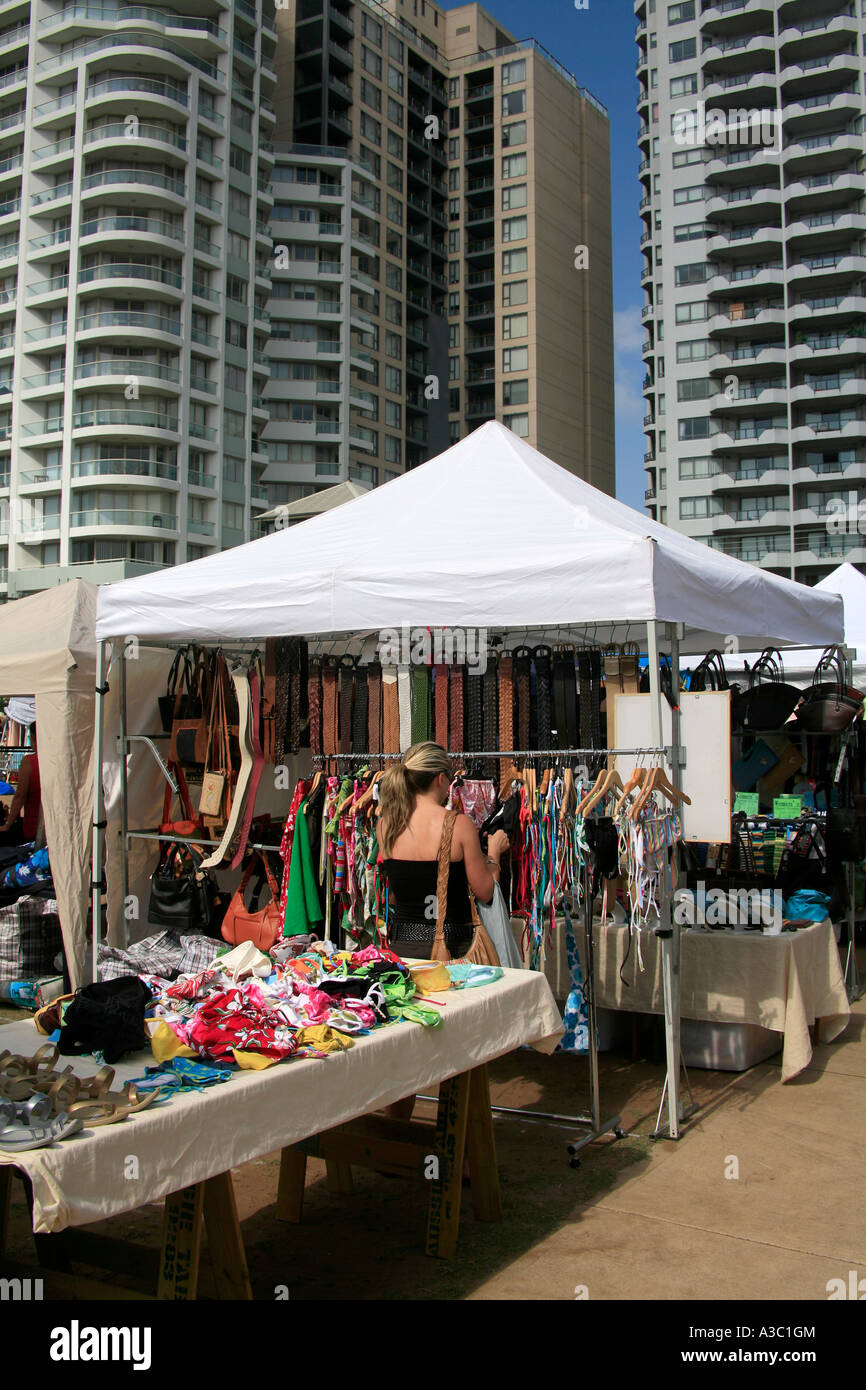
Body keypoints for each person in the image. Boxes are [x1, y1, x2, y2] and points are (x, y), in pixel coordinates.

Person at [378, 740, 510, 960]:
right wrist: (494, 854)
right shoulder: (459, 825)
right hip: (452, 950)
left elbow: (394, 895)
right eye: (449, 777)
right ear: (440, 779)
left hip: (402, 949)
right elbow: (485, 892)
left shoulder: (385, 826)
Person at [0, 724, 41, 843]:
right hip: (58, 827)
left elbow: (20, 797)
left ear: (33, 738)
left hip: (34, 826)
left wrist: (8, 824)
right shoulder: (60, 759)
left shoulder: (29, 762)